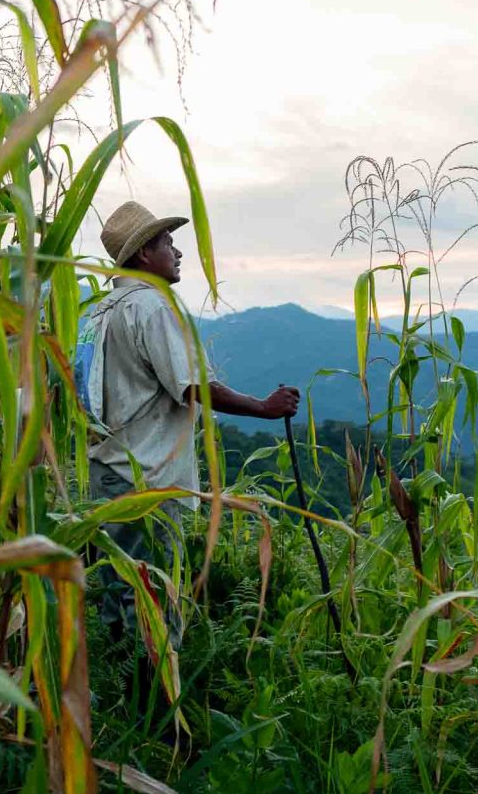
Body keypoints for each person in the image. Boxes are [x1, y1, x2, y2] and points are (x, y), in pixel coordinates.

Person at [76, 200, 300, 645]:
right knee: (156, 603)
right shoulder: (153, 307)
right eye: (168, 243)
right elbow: (196, 386)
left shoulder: (96, 313)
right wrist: (264, 407)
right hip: (148, 483)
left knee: (120, 599)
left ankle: (123, 703)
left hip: (107, 476)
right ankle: (161, 703)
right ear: (144, 255)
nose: (177, 253)